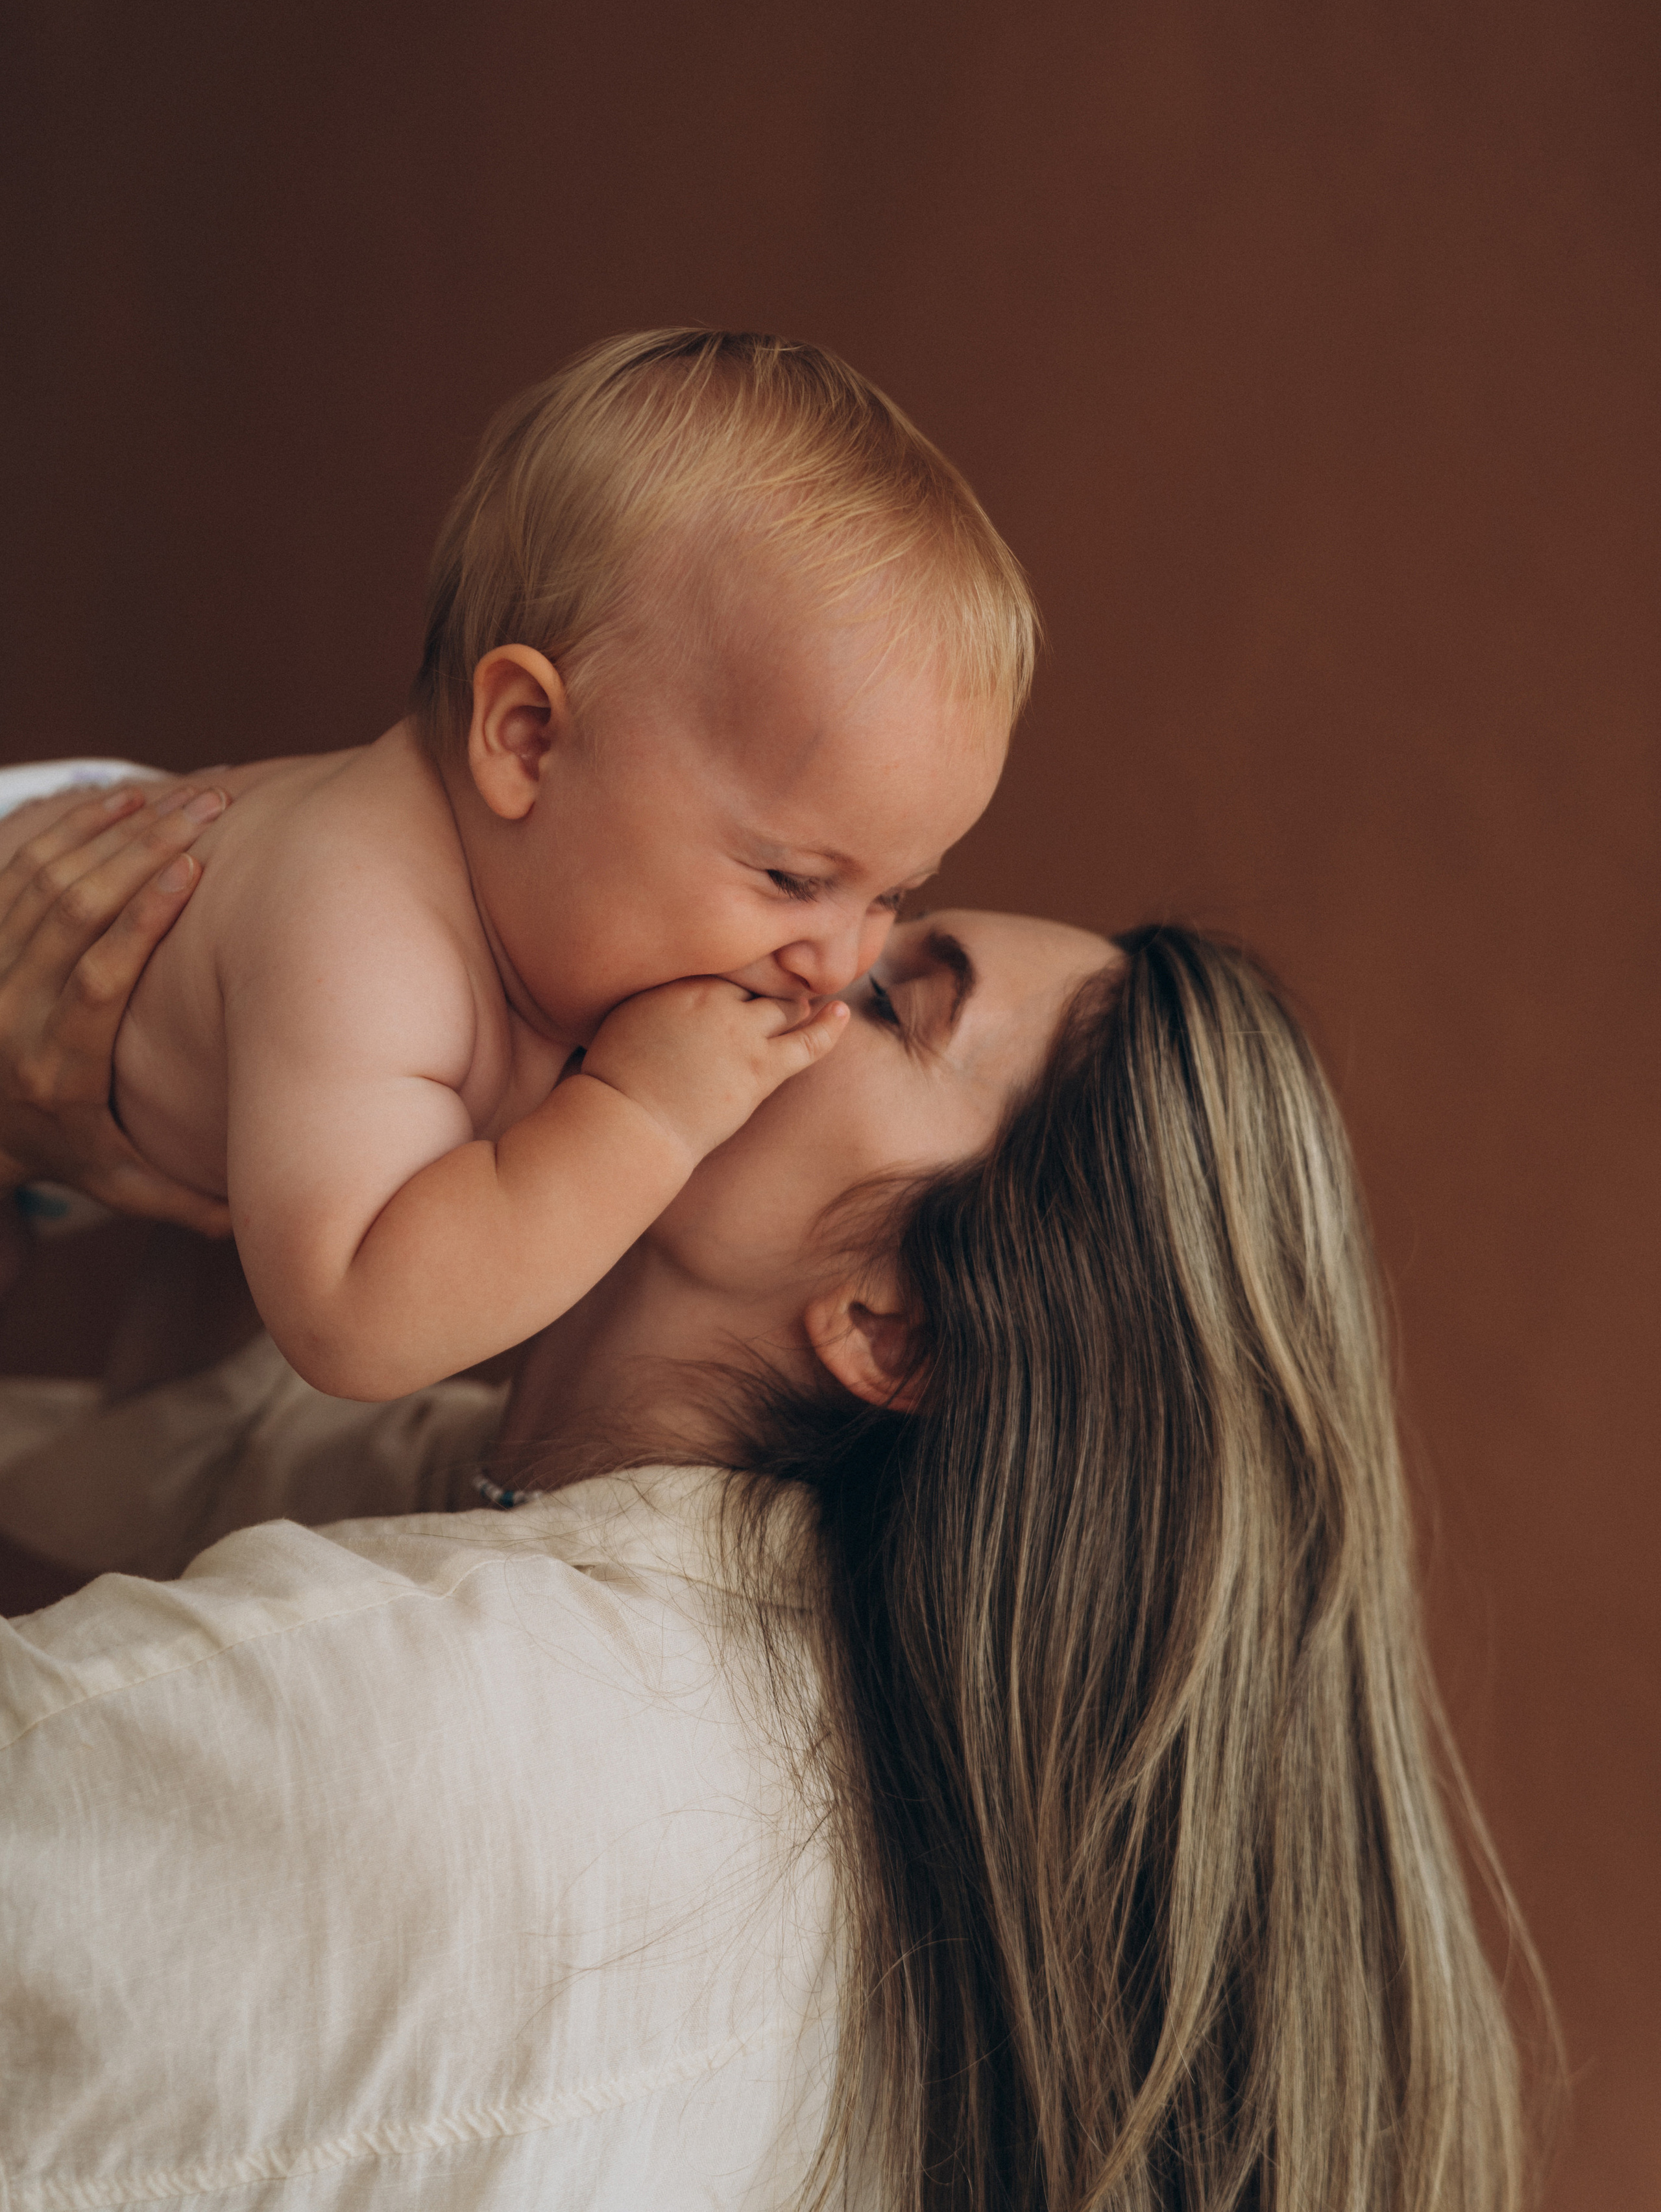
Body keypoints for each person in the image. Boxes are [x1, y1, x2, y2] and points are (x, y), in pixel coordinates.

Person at [0, 806, 1536, 2209]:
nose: (774, 951)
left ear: (891, 1324)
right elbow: (213, 1458)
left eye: (881, 1000)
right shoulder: (745, 1702)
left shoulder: (382, 1726)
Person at [0, 329, 1032, 1402]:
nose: (837, 961)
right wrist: (640, 1119)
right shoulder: (362, 933)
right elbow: (353, 1322)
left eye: (893, 894)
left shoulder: (533, 920)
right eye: (790, 880)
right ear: (529, 739)